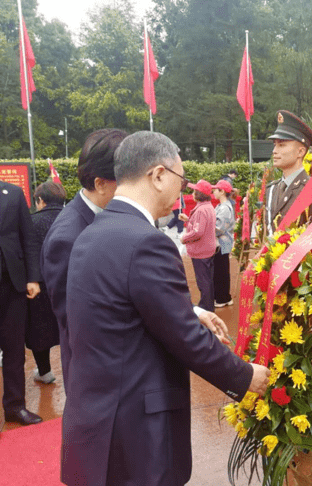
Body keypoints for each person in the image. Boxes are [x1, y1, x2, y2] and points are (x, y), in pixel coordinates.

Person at [62, 131, 270, 486]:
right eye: (181, 179)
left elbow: (127, 309)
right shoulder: (147, 242)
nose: (182, 191)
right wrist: (245, 376)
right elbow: (185, 338)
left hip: (98, 420)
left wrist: (191, 311)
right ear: (158, 175)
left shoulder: (92, 231)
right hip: (133, 433)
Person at [41, 128, 128, 392]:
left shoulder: (113, 214)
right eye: (126, 182)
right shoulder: (68, 237)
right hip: (99, 377)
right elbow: (78, 323)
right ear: (100, 183)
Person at [0, 179, 42, 425]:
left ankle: (15, 407)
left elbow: (29, 238)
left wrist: (33, 277)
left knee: (15, 350)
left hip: (13, 285)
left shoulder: (13, 193)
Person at [27, 181, 67, 384]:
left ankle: (45, 372)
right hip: (71, 285)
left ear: (40, 200)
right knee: (72, 331)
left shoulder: (31, 221)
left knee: (39, 330)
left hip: (41, 287)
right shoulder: (73, 218)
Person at [265, 110, 312, 235]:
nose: (274, 151)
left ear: (300, 152)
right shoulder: (272, 189)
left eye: (281, 145)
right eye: (275, 145)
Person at [179, 179, 218, 310]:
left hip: (201, 251)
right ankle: (208, 305)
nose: (193, 193)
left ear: (199, 194)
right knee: (207, 280)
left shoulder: (201, 210)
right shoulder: (208, 207)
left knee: (203, 282)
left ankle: (206, 307)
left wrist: (184, 238)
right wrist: (189, 219)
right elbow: (201, 227)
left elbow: (198, 232)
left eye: (195, 191)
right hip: (207, 249)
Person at [212, 179, 235, 307]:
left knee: (221, 272)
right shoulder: (221, 206)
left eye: (215, 190)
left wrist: (206, 232)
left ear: (222, 191)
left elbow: (220, 228)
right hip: (222, 242)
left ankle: (222, 298)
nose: (213, 192)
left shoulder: (225, 207)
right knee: (221, 270)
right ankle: (224, 297)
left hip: (222, 243)